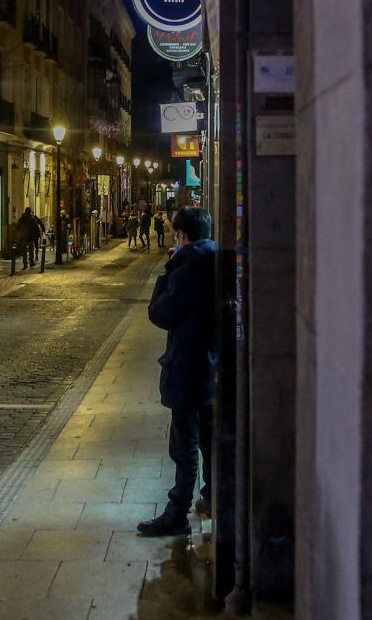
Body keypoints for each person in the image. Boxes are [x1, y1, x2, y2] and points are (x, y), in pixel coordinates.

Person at [137, 207, 218, 537]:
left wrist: (166, 272)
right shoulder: (214, 258)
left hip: (187, 366)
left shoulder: (187, 267)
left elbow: (160, 313)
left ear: (182, 235)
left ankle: (177, 513)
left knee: (184, 446)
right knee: (210, 440)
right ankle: (213, 496)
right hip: (212, 366)